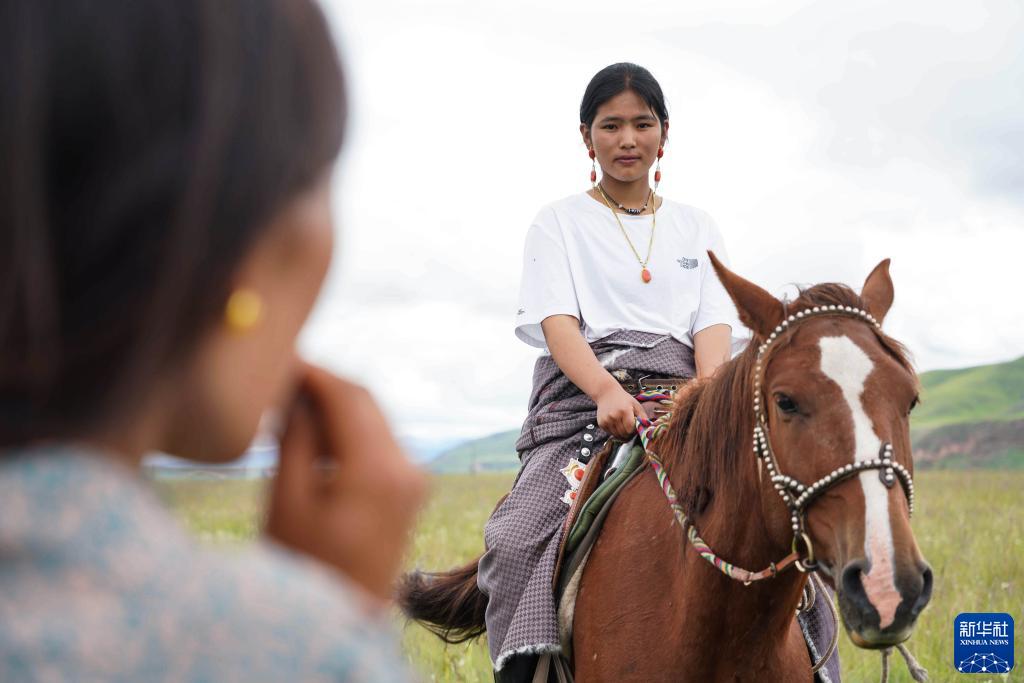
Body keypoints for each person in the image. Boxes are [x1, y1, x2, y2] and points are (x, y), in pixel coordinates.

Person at [0, 1, 425, 681]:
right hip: (585, 401)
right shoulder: (284, 652)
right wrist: (327, 628)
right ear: (244, 258)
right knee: (526, 534)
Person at [475, 62, 745, 681]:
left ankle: (814, 661)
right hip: (583, 405)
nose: (628, 139)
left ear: (664, 133)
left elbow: (713, 325)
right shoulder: (558, 222)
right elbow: (557, 322)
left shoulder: (696, 226)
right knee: (516, 544)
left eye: (642, 124)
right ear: (586, 136)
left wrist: (703, 398)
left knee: (781, 525)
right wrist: (604, 390)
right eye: (611, 125)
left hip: (687, 398)